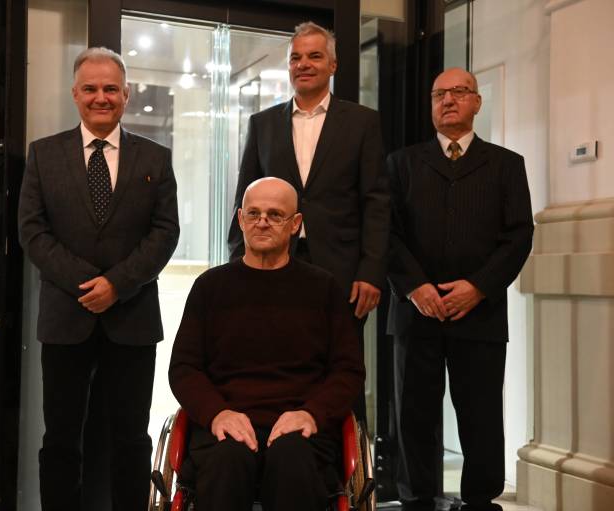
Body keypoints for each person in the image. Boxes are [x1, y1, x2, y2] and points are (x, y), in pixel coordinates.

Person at [18, 47, 179, 511]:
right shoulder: (44, 155)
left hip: (132, 319)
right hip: (66, 319)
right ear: (75, 94)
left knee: (130, 440)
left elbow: (165, 232)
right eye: (90, 88)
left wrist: (117, 285)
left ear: (126, 94)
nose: (100, 97)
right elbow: (32, 231)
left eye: (111, 88)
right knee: (61, 440)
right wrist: (89, 285)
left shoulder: (155, 158)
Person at [386, 67, 534, 511]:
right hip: (416, 313)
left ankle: (479, 500)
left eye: (458, 92)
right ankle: (417, 499)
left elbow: (518, 236)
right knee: (414, 414)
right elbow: (387, 234)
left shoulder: (507, 165)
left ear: (477, 102)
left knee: (481, 414)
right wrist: (415, 287)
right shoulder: (401, 164)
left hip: (479, 313)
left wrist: (478, 287)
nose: (448, 100)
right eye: (439, 94)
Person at [170, 177, 364, 511]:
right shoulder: (210, 287)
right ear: (240, 219)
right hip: (225, 422)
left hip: (301, 425)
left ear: (295, 224)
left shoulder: (323, 289)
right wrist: (217, 413)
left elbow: (348, 370)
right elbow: (184, 368)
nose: (262, 222)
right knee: (227, 459)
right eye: (254, 213)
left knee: (292, 457)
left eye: (275, 215)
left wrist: (311, 413)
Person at [227, 22, 389, 417]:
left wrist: (371, 271)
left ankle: (346, 456)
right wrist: (237, 262)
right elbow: (245, 196)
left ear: (333, 65)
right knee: (274, 362)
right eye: (295, 57)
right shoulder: (263, 123)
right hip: (273, 266)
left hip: (342, 270)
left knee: (341, 370)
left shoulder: (363, 122)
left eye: (314, 56)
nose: (303, 64)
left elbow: (376, 201)